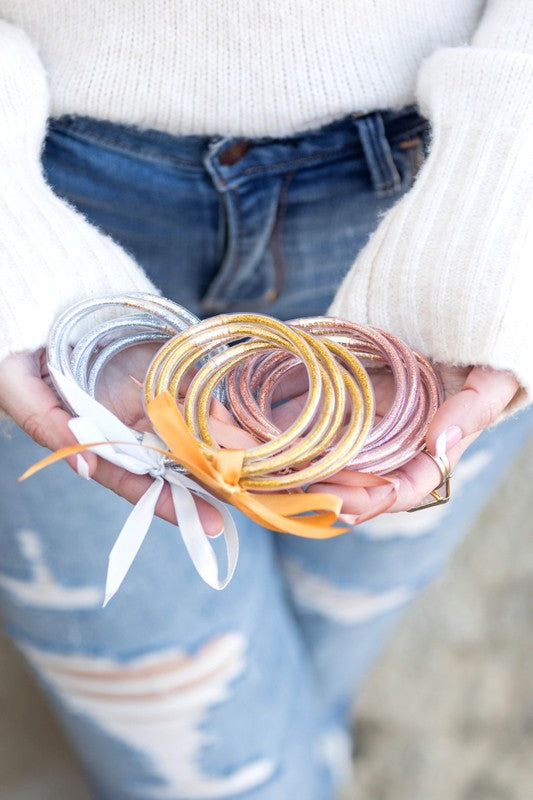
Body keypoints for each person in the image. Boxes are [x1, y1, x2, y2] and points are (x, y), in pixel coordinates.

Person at [0, 2, 531, 798]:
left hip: (461, 209)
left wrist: (507, 199)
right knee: (215, 768)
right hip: (42, 207)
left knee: (335, 626)